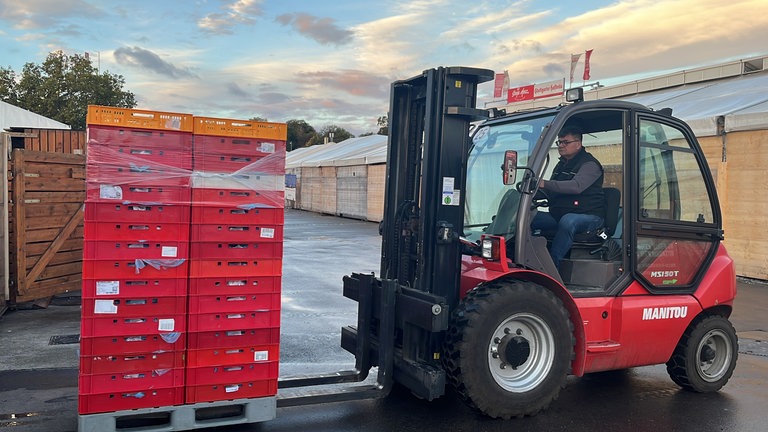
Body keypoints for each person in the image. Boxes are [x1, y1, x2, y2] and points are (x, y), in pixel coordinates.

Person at [532, 125, 605, 269]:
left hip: (589, 216)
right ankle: (524, 257)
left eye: (566, 142)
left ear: (578, 144)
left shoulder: (589, 164)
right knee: (528, 216)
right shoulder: (561, 166)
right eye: (559, 142)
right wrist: (533, 192)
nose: (561, 146)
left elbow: (576, 186)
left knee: (568, 221)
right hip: (559, 214)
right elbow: (552, 189)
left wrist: (544, 184)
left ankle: (552, 267)